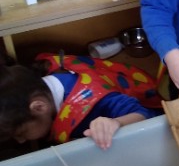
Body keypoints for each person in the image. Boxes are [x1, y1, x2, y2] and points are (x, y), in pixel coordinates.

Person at [0, 53, 162, 150]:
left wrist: (115, 122)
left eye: (21, 133)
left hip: (154, 119)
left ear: (39, 107)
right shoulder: (37, 85)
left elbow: (144, 114)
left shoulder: (94, 99)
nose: (20, 141)